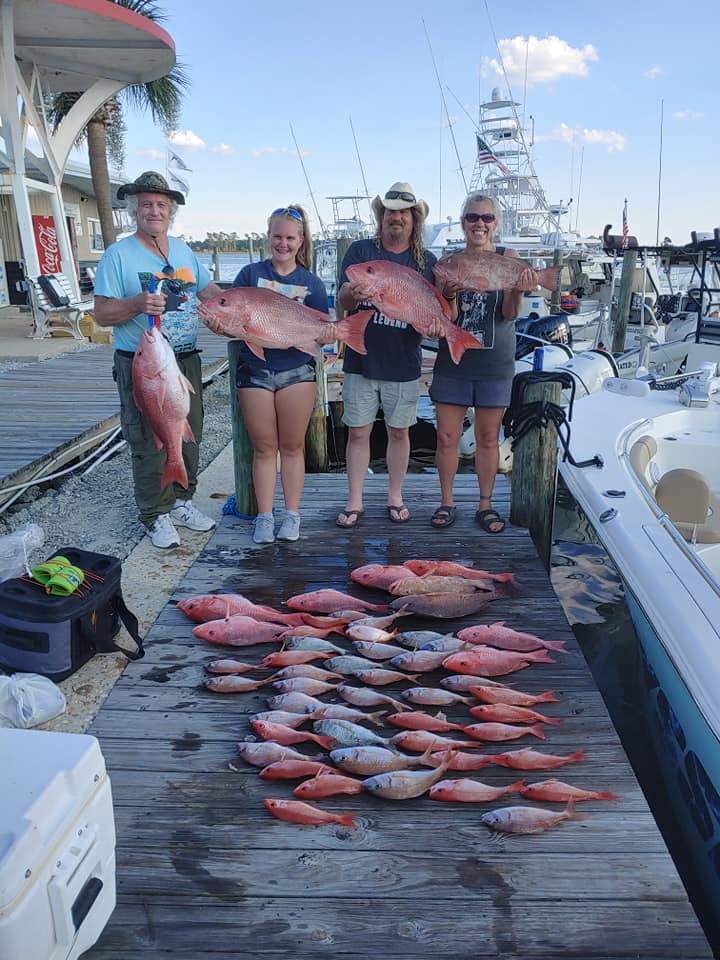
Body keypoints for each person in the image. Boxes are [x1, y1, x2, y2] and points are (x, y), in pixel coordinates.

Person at [94, 171, 223, 549]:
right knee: (147, 436)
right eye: (147, 204)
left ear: (171, 211)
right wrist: (137, 304)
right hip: (144, 365)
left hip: (185, 360)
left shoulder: (183, 251)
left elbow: (209, 292)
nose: (154, 211)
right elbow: (101, 313)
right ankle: (154, 513)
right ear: (134, 210)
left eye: (161, 205)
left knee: (188, 433)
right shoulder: (118, 255)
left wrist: (233, 313)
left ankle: (181, 500)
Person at [430, 192, 535, 533]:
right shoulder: (448, 262)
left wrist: (517, 290)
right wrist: (449, 292)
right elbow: (448, 317)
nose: (480, 223)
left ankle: (485, 504)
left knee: (489, 438)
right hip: (454, 361)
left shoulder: (508, 257)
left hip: (495, 364)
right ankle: (447, 502)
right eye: (473, 217)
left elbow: (509, 314)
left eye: (487, 217)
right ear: (463, 223)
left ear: (496, 223)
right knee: (447, 437)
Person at [335, 182, 438, 528]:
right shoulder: (361, 252)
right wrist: (353, 293)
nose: (397, 217)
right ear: (381, 216)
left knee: (399, 432)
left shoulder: (426, 261)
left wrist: (435, 326)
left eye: (404, 212)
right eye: (391, 211)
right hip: (360, 359)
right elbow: (343, 301)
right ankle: (355, 500)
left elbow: (431, 313)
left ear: (414, 218)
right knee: (357, 432)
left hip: (404, 362)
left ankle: (395, 496)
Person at [232, 205, 328, 545]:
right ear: (268, 237)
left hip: (297, 371)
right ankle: (264, 515)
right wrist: (219, 323)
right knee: (263, 447)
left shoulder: (311, 283)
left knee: (292, 446)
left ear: (300, 241)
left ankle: (292, 514)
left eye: (290, 238)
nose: (283, 243)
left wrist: (330, 333)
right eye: (277, 236)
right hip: (255, 371)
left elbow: (320, 331)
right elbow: (232, 322)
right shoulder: (249, 275)